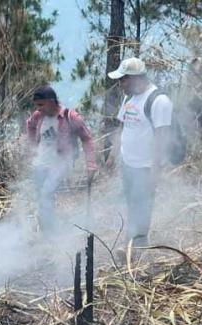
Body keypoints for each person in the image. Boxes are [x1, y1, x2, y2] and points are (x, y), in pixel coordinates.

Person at [106, 57, 173, 248]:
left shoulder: (159, 101)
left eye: (123, 80)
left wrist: (155, 172)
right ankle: (132, 246)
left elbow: (162, 138)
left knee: (142, 208)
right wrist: (112, 156)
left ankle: (137, 252)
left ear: (135, 78)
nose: (120, 84)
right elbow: (121, 128)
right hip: (128, 165)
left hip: (145, 168)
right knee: (132, 206)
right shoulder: (129, 98)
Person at [25, 85, 97, 233]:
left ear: (52, 101)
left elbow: (87, 139)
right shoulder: (39, 116)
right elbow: (30, 125)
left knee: (46, 193)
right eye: (37, 106)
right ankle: (48, 227)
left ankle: (50, 234)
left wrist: (90, 164)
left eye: (41, 105)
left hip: (62, 162)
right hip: (41, 160)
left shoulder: (70, 117)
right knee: (42, 196)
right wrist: (32, 148)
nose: (38, 109)